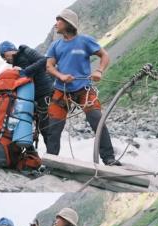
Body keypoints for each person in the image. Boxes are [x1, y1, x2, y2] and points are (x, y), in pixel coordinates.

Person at [45, 8, 121, 166]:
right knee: (54, 127)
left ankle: (109, 159)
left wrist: (99, 71)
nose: (56, 23)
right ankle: (51, 162)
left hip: (84, 89)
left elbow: (104, 55)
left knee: (97, 121)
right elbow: (49, 66)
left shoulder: (85, 41)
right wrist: (60, 76)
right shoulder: (55, 45)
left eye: (59, 20)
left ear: (68, 23)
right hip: (61, 90)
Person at [0, 41, 54, 149]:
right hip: (32, 98)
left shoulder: (25, 51)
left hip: (45, 93)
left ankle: (52, 157)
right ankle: (28, 156)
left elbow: (43, 60)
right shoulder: (16, 64)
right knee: (26, 123)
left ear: (9, 50)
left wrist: (25, 71)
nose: (4, 60)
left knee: (46, 127)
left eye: (3, 55)